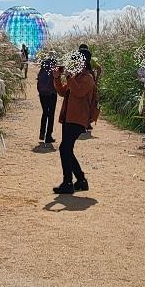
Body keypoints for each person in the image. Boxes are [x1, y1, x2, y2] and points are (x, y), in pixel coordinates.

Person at [52, 49, 96, 194]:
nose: (74, 62)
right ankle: (81, 180)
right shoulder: (77, 76)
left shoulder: (88, 78)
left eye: (77, 59)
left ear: (83, 61)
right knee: (67, 149)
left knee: (65, 148)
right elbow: (63, 92)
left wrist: (69, 76)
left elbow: (79, 92)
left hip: (78, 119)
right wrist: (57, 78)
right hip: (69, 117)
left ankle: (68, 182)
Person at [36, 54, 58, 145]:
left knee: (45, 112)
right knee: (51, 114)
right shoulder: (54, 69)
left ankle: (42, 133)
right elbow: (57, 81)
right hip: (52, 94)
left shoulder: (43, 68)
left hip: (42, 94)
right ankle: (48, 135)